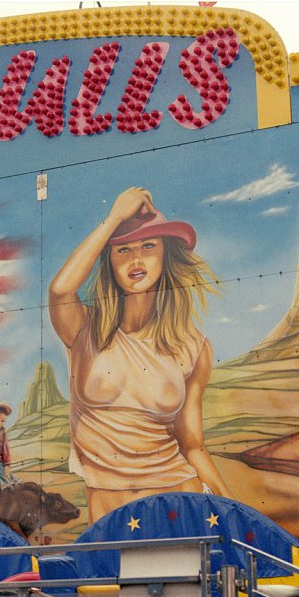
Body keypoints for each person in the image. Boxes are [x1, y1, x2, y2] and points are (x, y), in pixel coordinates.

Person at [49, 186, 231, 523]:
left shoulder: (192, 346)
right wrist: (113, 218)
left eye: (149, 246)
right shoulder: (83, 330)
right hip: (109, 509)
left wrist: (235, 512)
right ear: (109, 260)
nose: (136, 259)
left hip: (179, 500)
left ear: (165, 255)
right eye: (123, 249)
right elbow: (61, 288)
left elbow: (193, 447)